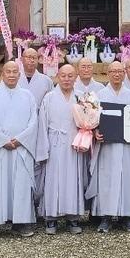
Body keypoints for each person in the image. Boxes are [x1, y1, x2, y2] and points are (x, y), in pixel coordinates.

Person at [0, 61, 40, 239]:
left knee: (21, 185)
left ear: (19, 75)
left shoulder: (28, 96)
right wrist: (2, 140)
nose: (11, 75)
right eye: (8, 72)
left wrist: (20, 140)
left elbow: (33, 122)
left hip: (21, 148)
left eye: (14, 72)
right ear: (2, 74)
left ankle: (20, 223)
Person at [87, 63, 130, 232]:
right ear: (108, 74)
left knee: (127, 179)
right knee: (106, 179)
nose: (117, 74)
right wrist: (95, 132)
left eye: (120, 71)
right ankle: (105, 217)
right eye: (113, 71)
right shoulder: (99, 95)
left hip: (127, 146)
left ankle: (128, 217)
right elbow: (92, 120)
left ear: (124, 73)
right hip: (107, 147)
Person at [37, 64, 88, 234]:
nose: (66, 79)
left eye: (70, 76)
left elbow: (88, 124)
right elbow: (42, 124)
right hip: (54, 143)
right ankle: (51, 218)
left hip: (75, 144)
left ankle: (73, 217)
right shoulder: (49, 98)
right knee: (53, 180)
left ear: (75, 77)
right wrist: (44, 148)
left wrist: (86, 138)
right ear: (58, 77)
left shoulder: (81, 98)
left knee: (73, 179)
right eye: (63, 76)